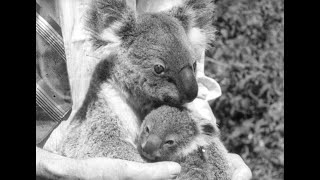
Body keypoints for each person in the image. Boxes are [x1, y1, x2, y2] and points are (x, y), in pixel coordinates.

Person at [36, 0, 252, 179]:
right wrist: (58, 168)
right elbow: (101, 146)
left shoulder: (176, 30)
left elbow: (193, 103)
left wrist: (216, 163)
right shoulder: (109, 92)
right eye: (159, 69)